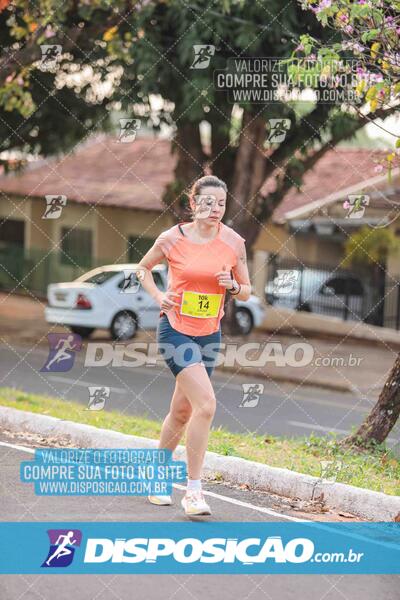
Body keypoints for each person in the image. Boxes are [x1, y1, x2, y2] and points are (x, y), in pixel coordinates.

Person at [137, 175, 251, 516]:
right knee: (206, 405)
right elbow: (142, 268)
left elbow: (246, 290)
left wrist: (232, 285)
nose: (215, 209)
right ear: (193, 204)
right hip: (174, 329)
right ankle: (194, 491)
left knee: (183, 411)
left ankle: (156, 476)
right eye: (208, 202)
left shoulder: (234, 242)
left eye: (221, 204)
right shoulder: (173, 237)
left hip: (209, 333)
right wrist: (160, 295)